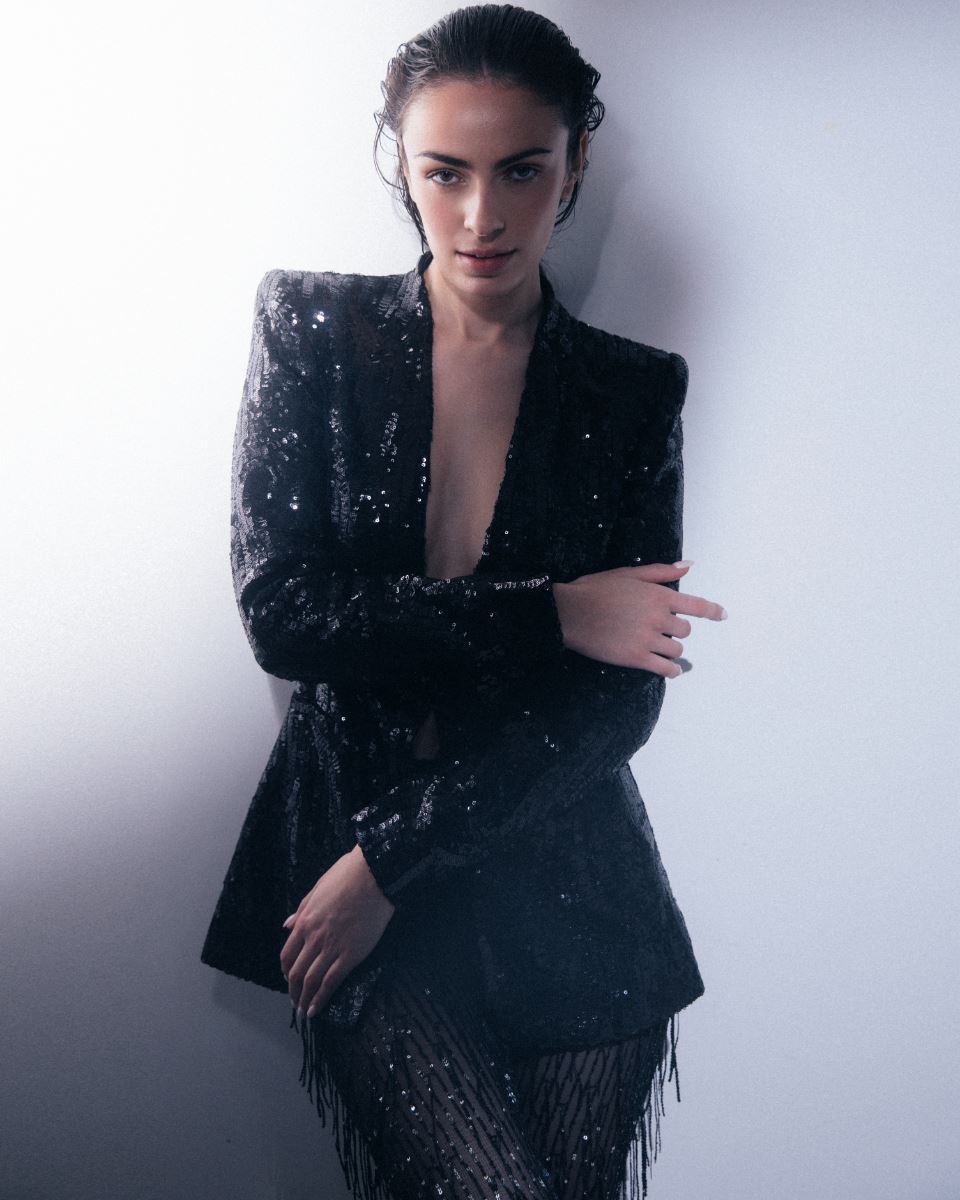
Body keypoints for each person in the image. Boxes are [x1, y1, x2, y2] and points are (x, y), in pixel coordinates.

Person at [201, 5, 727, 1197]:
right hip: (358, 880)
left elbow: (618, 705)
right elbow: (286, 612)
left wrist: (395, 857)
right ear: (401, 163)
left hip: (576, 894)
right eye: (446, 172)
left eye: (522, 170)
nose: (482, 215)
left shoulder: (633, 391)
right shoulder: (315, 333)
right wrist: (556, 611)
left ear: (575, 165)